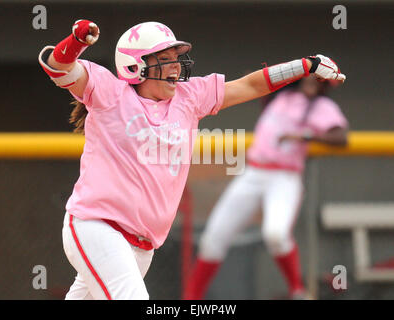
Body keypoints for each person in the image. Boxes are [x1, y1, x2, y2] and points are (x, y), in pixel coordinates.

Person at [38, 19, 346, 300]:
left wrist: (304, 65)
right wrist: (77, 41)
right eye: (164, 59)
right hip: (97, 227)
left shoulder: (188, 97)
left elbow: (251, 85)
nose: (175, 66)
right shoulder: (110, 92)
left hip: (142, 245)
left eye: (175, 58)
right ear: (135, 65)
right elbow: (58, 67)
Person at [183, 75, 349, 300]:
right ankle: (191, 300)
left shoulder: (322, 106)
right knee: (212, 239)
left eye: (319, 80)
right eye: (311, 78)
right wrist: (298, 72)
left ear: (325, 85)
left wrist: (306, 135)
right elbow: (265, 81)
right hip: (254, 172)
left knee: (275, 234)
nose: (314, 82)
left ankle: (297, 291)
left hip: (284, 175)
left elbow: (340, 137)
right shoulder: (282, 96)